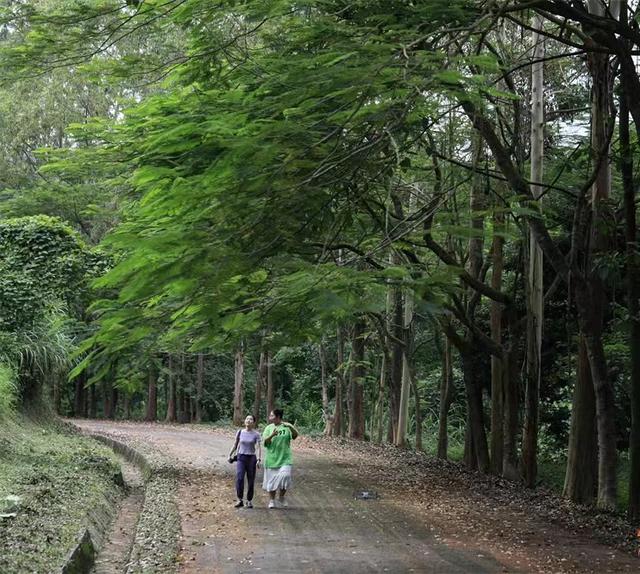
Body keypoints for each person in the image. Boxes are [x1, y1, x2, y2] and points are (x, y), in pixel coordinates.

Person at [262, 408, 299, 509]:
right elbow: (265, 442)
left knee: (285, 476)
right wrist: (272, 435)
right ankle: (272, 500)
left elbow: (295, 436)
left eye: (272, 416)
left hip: (285, 458)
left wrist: (291, 427)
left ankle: (281, 497)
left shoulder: (286, 427)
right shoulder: (268, 428)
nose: (270, 417)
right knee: (271, 481)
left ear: (278, 417)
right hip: (272, 459)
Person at [228, 414, 262, 508]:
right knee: (240, 478)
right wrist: (229, 455)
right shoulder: (240, 432)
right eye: (247, 419)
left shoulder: (256, 434)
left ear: (254, 422)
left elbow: (258, 447)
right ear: (244, 421)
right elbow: (235, 445)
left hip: (251, 458)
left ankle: (249, 500)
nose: (248, 420)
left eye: (251, 419)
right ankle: (240, 499)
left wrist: (259, 459)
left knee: (251, 480)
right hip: (241, 457)